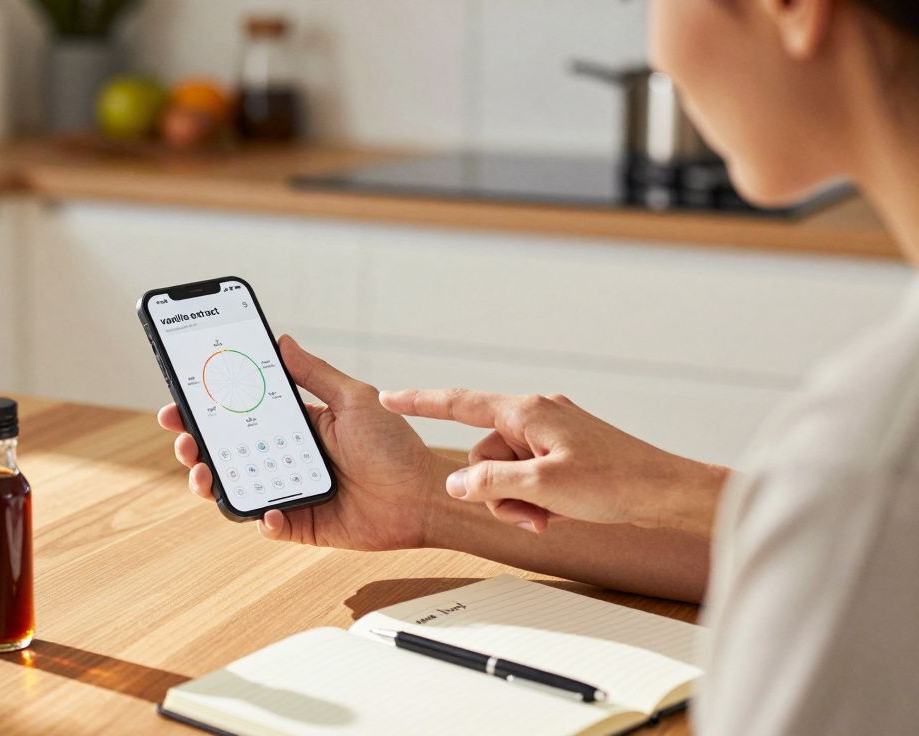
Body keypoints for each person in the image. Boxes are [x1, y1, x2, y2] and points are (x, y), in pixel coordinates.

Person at [159, 1, 919, 733]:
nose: (658, 49)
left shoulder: (871, 454)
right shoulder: (862, 473)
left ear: (791, 5)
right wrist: (425, 500)